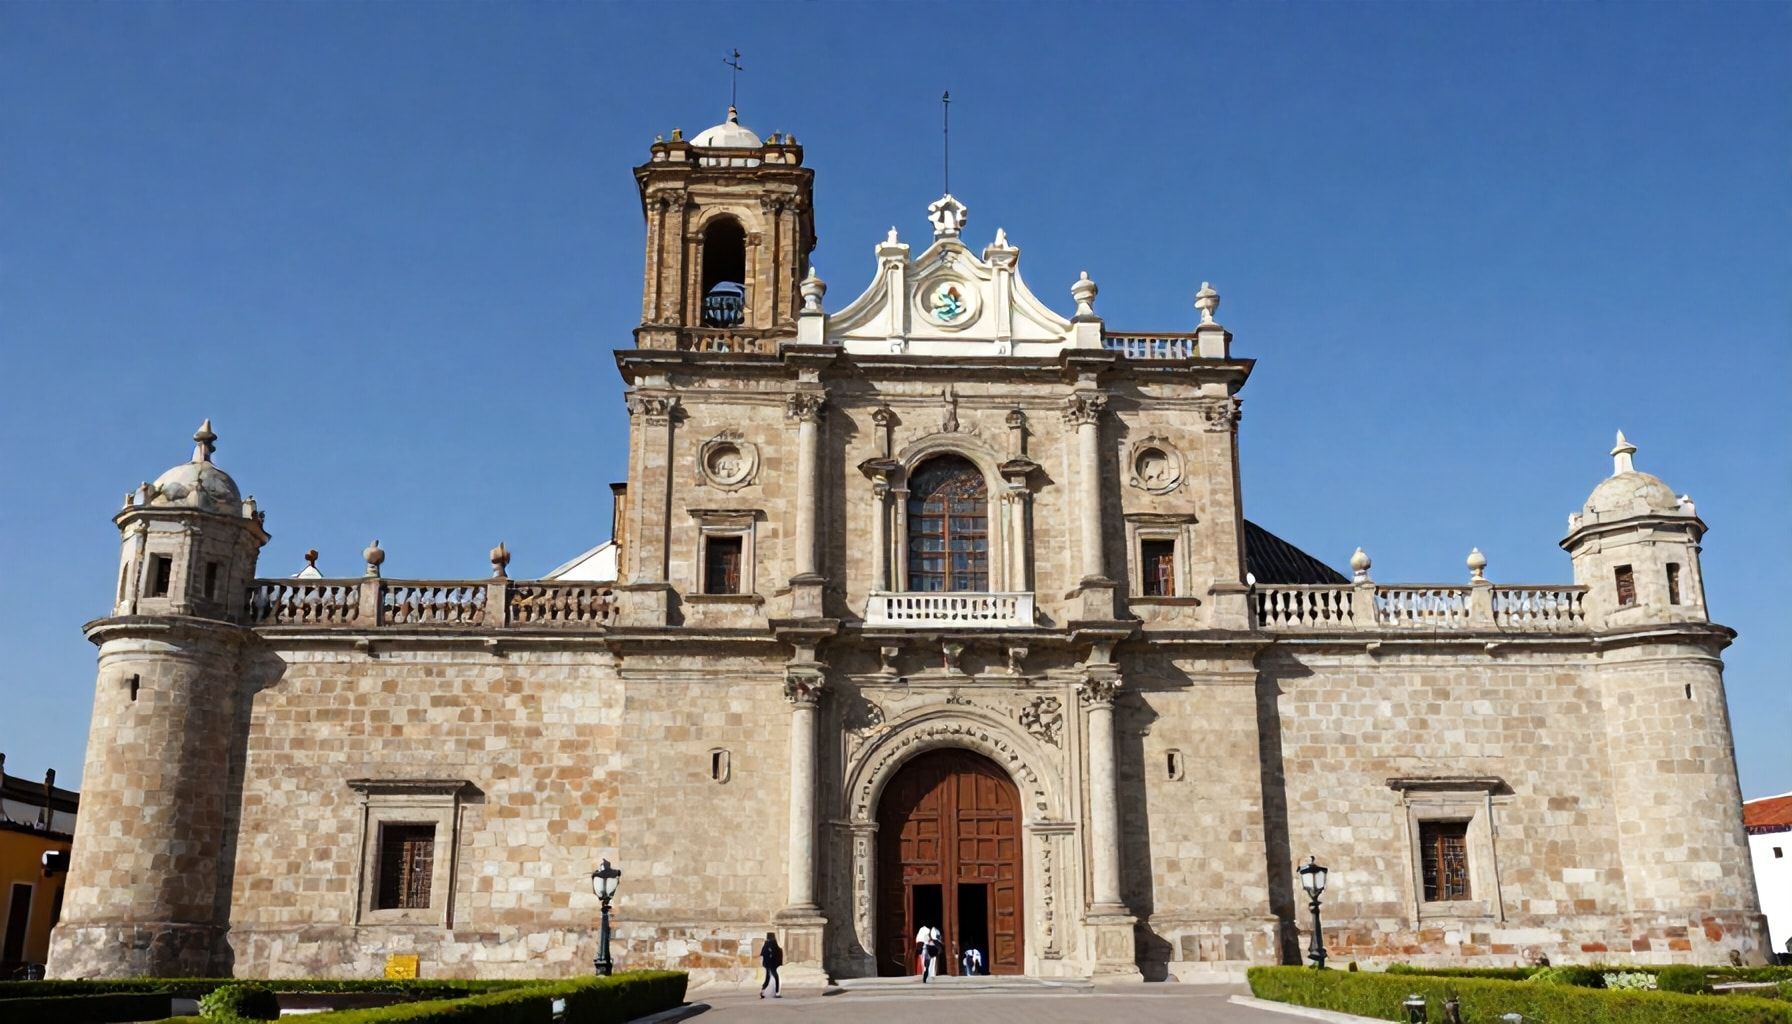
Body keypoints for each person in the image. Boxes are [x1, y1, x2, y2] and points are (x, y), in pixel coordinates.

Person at [759, 932, 782, 999]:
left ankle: (762, 991)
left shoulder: (766, 944)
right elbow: (778, 952)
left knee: (767, 978)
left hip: (767, 964)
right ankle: (777, 993)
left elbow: (762, 953)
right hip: (772, 964)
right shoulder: (774, 943)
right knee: (775, 978)